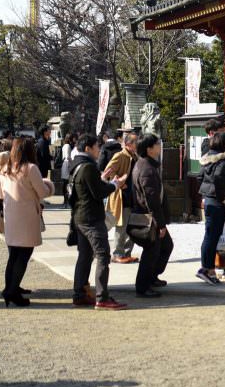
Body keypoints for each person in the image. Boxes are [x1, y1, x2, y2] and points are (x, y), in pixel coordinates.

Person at [69, 134, 128, 310]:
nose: (99, 150)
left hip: (80, 216)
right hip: (91, 218)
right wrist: (115, 184)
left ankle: (79, 294)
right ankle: (102, 297)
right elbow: (97, 193)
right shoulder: (87, 167)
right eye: (96, 146)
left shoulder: (78, 165)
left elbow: (88, 188)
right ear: (88, 148)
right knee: (103, 255)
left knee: (85, 256)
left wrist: (102, 179)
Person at [0, 137, 54, 307]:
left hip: (11, 215)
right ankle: (12, 291)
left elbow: (0, 194)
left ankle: (9, 288)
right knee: (24, 254)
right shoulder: (30, 168)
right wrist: (49, 184)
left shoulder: (5, 168)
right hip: (27, 215)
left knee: (14, 254)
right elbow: (42, 192)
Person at [131, 133, 173, 297]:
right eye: (157, 144)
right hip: (149, 218)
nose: (159, 146)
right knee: (151, 251)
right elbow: (151, 200)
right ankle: (143, 286)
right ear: (149, 149)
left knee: (165, 246)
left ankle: (152, 277)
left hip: (150, 217)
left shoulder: (146, 165)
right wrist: (160, 224)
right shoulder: (146, 169)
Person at [196, 131, 225, 285]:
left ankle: (207, 268)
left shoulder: (207, 159)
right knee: (212, 236)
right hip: (217, 203)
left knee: (209, 235)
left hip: (209, 201)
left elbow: (200, 177)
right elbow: (218, 178)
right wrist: (223, 198)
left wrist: (205, 194)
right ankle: (206, 269)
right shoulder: (224, 160)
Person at [105, 132, 139, 265]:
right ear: (128, 144)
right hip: (122, 195)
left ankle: (126, 252)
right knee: (121, 225)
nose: (138, 144)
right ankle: (117, 253)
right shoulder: (120, 155)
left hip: (133, 195)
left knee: (134, 226)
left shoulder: (134, 156)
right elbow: (108, 171)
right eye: (136, 142)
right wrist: (119, 182)